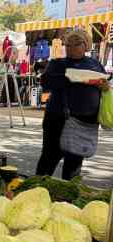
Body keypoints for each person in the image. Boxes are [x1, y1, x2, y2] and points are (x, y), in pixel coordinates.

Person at [36, 30, 109, 180]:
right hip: (58, 120)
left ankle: (67, 199)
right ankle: (36, 189)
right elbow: (46, 83)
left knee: (74, 166)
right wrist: (73, 78)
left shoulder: (95, 65)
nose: (72, 48)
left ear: (86, 45)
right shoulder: (57, 63)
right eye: (68, 44)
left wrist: (105, 87)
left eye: (77, 44)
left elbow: (105, 86)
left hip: (85, 123)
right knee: (48, 161)